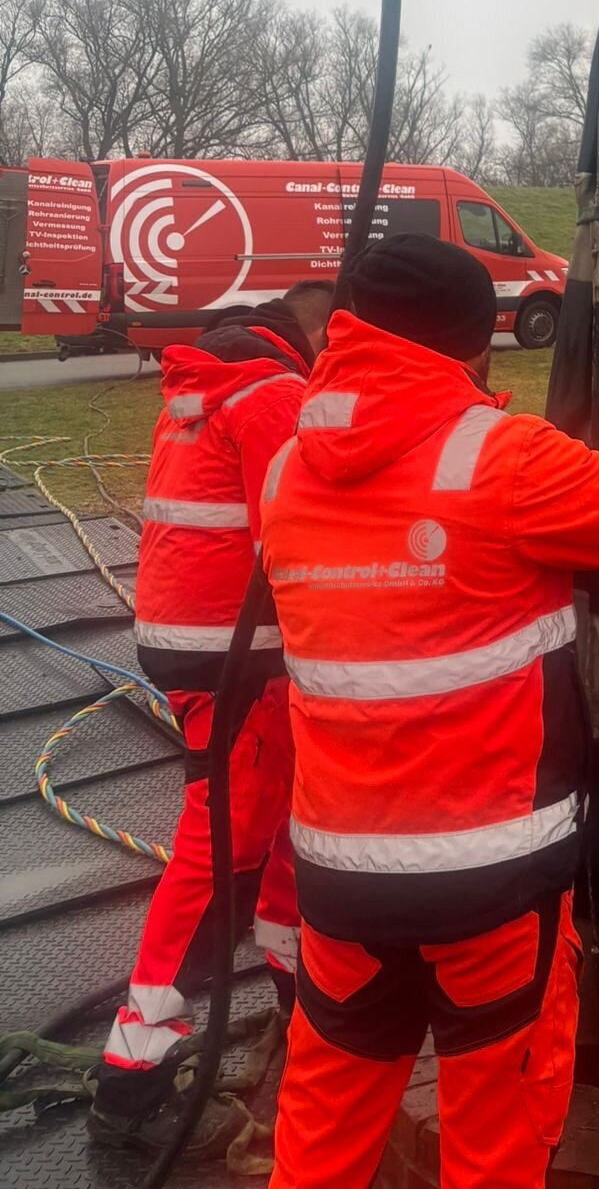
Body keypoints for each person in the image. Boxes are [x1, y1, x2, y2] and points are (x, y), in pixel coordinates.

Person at [259, 234, 599, 1189]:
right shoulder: (504, 460)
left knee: (321, 1136)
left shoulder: (285, 472)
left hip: (342, 886)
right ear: (475, 345)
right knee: (497, 1140)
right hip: (492, 887)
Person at [88, 280, 333, 1156]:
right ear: (320, 339)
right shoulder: (275, 395)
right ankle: (135, 1067)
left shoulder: (207, 387)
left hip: (194, 643)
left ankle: (295, 984)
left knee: (276, 821)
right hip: (242, 653)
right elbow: (305, 523)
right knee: (220, 842)